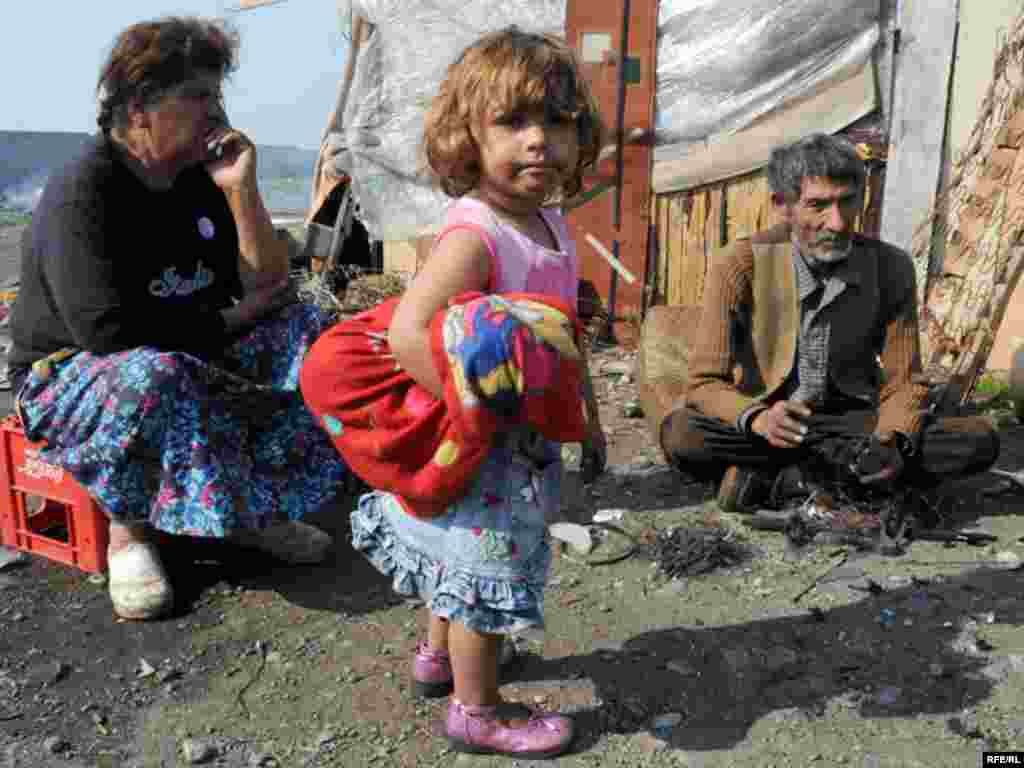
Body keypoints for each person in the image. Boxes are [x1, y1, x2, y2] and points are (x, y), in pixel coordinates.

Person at [319, 27, 605, 758]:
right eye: (512, 123)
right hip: (490, 443)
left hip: (518, 431)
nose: (539, 141)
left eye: (557, 120)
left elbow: (563, 336)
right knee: (483, 574)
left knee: (457, 559)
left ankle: (439, 658)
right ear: (467, 138)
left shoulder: (548, 223)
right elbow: (414, 330)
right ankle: (477, 711)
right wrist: (470, 420)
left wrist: (591, 424)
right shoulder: (476, 236)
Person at [7, 17, 348, 621]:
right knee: (154, 374)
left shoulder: (197, 179)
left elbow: (268, 283)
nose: (214, 111)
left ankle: (249, 510)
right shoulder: (83, 191)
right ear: (140, 108)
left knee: (307, 330)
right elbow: (106, 333)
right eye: (197, 96)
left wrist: (241, 188)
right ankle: (128, 533)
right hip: (74, 376)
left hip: (186, 346)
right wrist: (232, 318)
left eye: (217, 95)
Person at [650, 133, 999, 514]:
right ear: (782, 207)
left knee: (977, 440)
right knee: (683, 433)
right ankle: (825, 482)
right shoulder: (740, 264)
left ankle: (781, 481)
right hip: (767, 424)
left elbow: (905, 382)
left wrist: (889, 440)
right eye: (818, 205)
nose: (836, 221)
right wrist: (759, 418)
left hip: (850, 425)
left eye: (847, 201)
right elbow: (703, 384)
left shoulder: (890, 268)